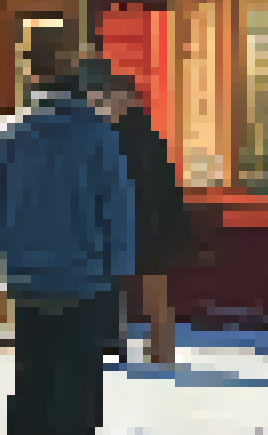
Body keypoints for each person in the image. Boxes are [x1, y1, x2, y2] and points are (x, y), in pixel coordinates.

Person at [0, 61, 134, 435]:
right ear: (81, 95)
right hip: (84, 277)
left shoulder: (8, 132)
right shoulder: (99, 136)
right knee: (78, 377)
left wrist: (7, 252)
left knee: (32, 370)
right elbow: (117, 206)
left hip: (26, 276)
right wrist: (118, 266)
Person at [92, 75, 188, 366]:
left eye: (106, 99)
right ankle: (160, 354)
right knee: (154, 298)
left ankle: (121, 349)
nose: (102, 105)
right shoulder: (150, 138)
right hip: (150, 228)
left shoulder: (113, 139)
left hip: (131, 227)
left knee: (114, 291)